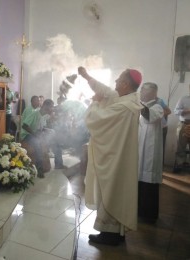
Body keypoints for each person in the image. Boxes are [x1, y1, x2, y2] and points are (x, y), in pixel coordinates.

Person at [78, 66, 143, 246]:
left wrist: (95, 103)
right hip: (121, 156)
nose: (114, 82)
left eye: (118, 79)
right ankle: (117, 233)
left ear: (124, 84)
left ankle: (110, 235)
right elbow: (106, 90)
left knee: (111, 191)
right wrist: (87, 77)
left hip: (115, 159)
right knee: (117, 192)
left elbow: (98, 120)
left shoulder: (124, 106)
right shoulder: (130, 99)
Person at [138, 82, 164, 223]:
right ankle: (139, 210)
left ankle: (149, 214)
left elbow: (148, 115)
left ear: (152, 93)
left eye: (143, 90)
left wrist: (135, 101)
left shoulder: (158, 106)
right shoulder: (143, 105)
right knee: (139, 182)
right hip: (140, 151)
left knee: (149, 183)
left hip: (150, 152)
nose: (141, 92)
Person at [20, 99, 64, 177]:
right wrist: (35, 135)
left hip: (37, 133)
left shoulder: (44, 116)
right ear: (44, 106)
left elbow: (41, 128)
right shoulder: (34, 114)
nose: (52, 109)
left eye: (52, 107)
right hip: (27, 135)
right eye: (51, 107)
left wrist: (47, 131)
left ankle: (59, 164)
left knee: (55, 141)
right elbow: (24, 125)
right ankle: (39, 169)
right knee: (37, 143)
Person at [174, 94, 190, 169]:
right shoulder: (183, 98)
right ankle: (179, 164)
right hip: (184, 124)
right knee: (180, 145)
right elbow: (175, 111)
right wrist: (186, 111)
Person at [156, 97, 171, 164]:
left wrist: (159, 114)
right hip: (150, 128)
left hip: (162, 127)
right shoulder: (142, 100)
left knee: (160, 147)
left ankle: (160, 165)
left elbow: (168, 111)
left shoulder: (159, 101)